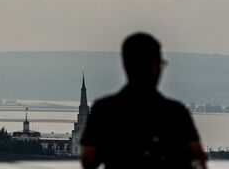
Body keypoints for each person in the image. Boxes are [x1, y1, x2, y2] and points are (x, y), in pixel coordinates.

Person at [80, 32, 207, 169]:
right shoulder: (176, 112)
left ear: (126, 66)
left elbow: (89, 160)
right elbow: (198, 160)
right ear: (154, 67)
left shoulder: (103, 109)